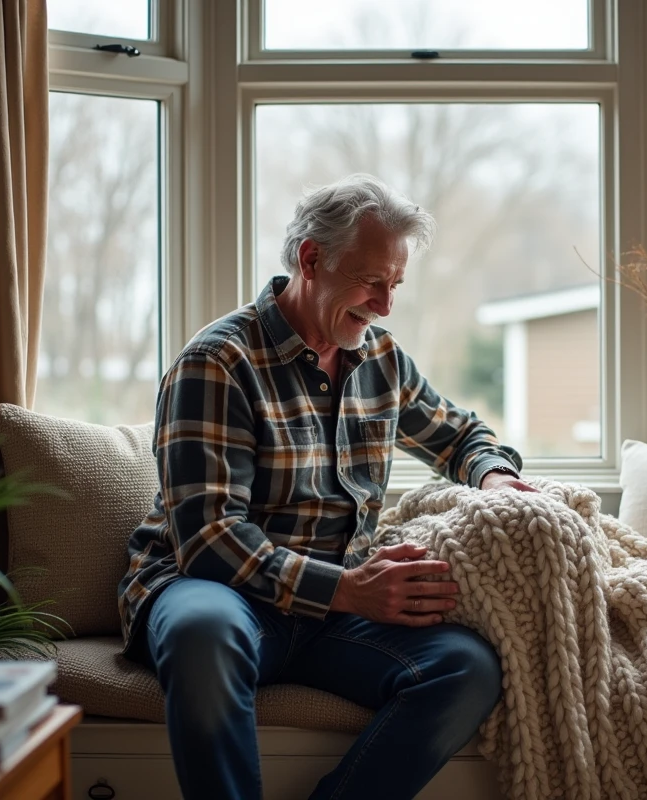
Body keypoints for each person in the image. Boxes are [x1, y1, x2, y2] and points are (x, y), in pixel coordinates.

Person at [118, 174, 536, 800]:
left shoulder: (382, 359)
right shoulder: (217, 362)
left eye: (394, 284)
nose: (386, 304)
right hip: (216, 593)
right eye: (373, 282)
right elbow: (209, 539)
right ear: (311, 259)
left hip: (333, 609)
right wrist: (346, 590)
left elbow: (460, 435)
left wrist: (494, 475)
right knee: (204, 636)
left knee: (467, 667)